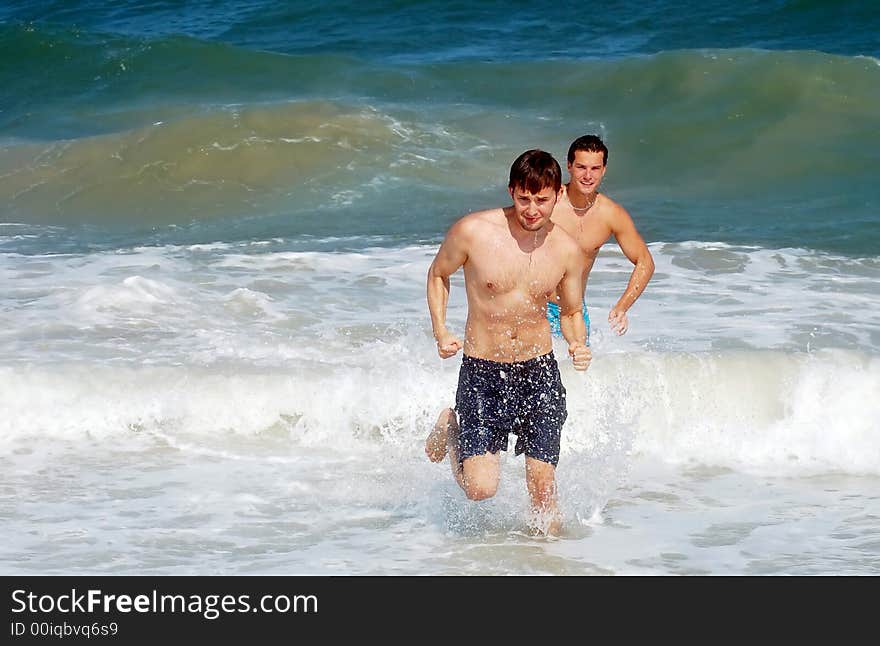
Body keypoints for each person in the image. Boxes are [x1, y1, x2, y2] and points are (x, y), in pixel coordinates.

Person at [424, 149, 590, 536]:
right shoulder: (474, 232)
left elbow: (570, 310)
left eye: (542, 200)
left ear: (557, 196)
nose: (532, 209)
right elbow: (438, 275)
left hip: (539, 371)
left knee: (543, 489)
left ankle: (546, 564)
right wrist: (441, 330)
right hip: (483, 371)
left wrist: (577, 344)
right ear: (512, 190)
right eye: (524, 198)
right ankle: (452, 429)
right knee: (481, 489)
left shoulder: (567, 250)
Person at [546, 134, 655, 340]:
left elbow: (645, 262)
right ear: (569, 166)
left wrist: (622, 307)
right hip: (534, 308)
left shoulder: (610, 214)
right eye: (581, 167)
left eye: (595, 168)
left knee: (577, 370)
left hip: (575, 312)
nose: (588, 175)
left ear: (603, 170)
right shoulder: (548, 201)